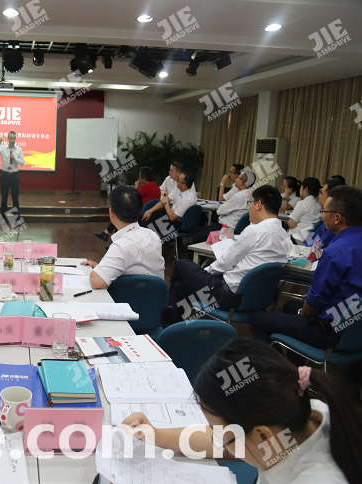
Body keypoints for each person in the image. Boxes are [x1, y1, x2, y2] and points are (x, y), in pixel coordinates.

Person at [122, 339, 361, 484]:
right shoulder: (300, 417)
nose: (218, 440)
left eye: (222, 437)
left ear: (263, 436)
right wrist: (156, 435)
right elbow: (223, 442)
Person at [250, 185, 362, 348]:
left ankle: (277, 364)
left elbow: (316, 301)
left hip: (330, 332)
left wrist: (302, 315)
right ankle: (297, 358)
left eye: (323, 211)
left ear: (337, 218)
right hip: (354, 329)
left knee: (257, 319)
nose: (322, 215)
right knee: (290, 306)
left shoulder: (335, 252)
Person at [166, 185, 291, 324]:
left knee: (181, 265)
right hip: (255, 299)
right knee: (180, 287)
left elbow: (225, 262)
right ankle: (173, 322)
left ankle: (168, 320)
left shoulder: (255, 231)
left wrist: (203, 273)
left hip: (226, 297)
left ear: (259, 204)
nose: (249, 207)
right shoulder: (285, 236)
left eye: (250, 202)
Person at [81, 186, 164, 289]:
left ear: (112, 213)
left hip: (127, 298)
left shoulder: (121, 246)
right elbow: (138, 271)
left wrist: (97, 272)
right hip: (155, 297)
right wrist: (101, 268)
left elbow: (96, 282)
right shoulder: (153, 235)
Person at [94, 166, 161, 242]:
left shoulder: (145, 187)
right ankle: (106, 233)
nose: (139, 179)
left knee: (120, 213)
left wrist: (136, 187)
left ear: (144, 178)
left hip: (140, 214)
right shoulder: (157, 188)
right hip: (150, 215)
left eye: (140, 177)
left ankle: (108, 235)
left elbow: (132, 198)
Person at [190, 170, 253, 243]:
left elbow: (219, 211)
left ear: (242, 181)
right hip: (230, 227)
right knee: (198, 231)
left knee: (195, 237)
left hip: (226, 229)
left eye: (238, 177)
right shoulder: (250, 194)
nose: (236, 179)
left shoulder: (239, 196)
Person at [305, 176, 345, 250]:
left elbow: (317, 247)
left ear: (330, 198)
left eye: (322, 193)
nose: (319, 196)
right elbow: (311, 241)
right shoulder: (325, 221)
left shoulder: (332, 223)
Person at [0, 131, 25, 219]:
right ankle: (4, 216)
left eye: (14, 139)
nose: (12, 140)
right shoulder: (3, 148)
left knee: (15, 197)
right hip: (4, 175)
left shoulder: (19, 149)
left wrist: (15, 159)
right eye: (11, 138)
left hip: (14, 175)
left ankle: (16, 216)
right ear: (8, 138)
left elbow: (22, 163)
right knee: (4, 197)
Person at [288, 177, 322, 244]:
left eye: (301, 187)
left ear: (306, 189)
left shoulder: (303, 203)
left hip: (297, 238)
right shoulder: (320, 204)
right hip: (311, 239)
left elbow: (291, 224)